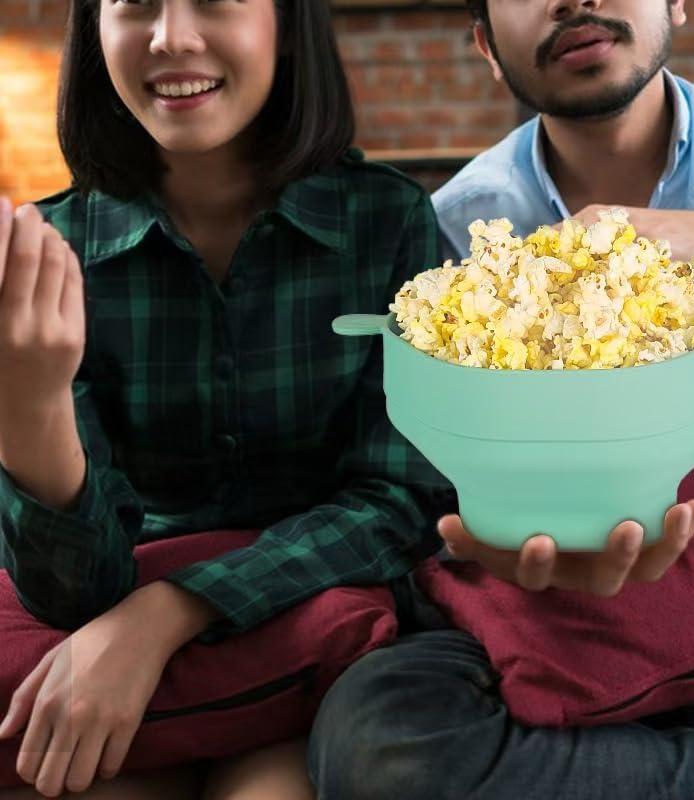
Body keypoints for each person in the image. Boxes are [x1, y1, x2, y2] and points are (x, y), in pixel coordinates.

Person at [307, 1, 694, 798]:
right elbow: (447, 471)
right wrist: (492, 535)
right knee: (378, 739)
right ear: (487, 46)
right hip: (579, 600)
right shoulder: (458, 229)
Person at [0, 0, 454, 797]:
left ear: (287, 26)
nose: (172, 35)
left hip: (318, 643)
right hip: (105, 653)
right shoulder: (47, 256)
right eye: (134, 3)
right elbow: (72, 591)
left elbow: (406, 499)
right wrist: (29, 412)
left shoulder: (389, 223)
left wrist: (169, 612)